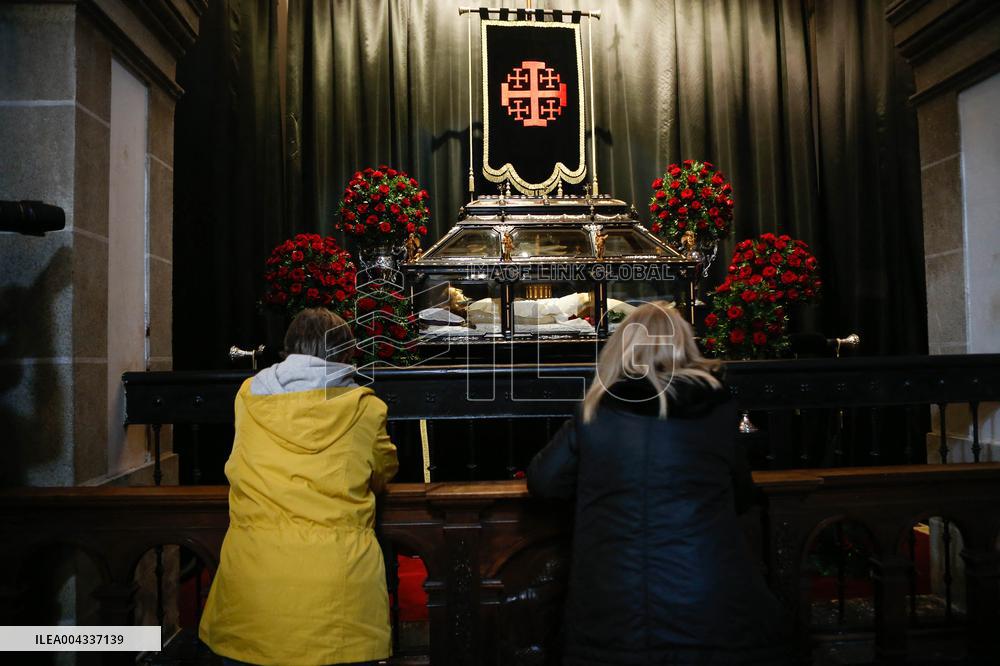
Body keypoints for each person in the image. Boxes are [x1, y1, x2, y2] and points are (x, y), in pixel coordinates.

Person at [527, 301, 791, 665]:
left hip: (613, 601)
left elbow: (544, 481)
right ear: (684, 344)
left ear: (620, 349)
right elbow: (742, 494)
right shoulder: (717, 411)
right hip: (708, 597)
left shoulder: (595, 413)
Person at [199, 307, 399, 666]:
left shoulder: (248, 396)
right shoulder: (366, 409)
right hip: (340, 595)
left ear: (289, 347)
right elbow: (383, 471)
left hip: (254, 589)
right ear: (345, 352)